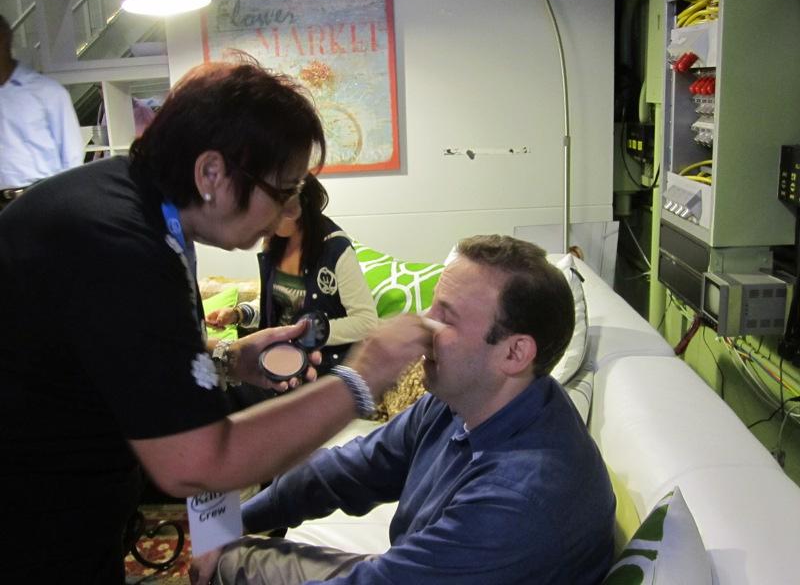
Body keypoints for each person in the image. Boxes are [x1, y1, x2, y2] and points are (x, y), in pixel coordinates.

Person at [0, 58, 432, 584]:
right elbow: (195, 463)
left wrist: (228, 359)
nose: (287, 214)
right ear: (211, 174)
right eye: (283, 191)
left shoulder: (138, 209)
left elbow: (123, 358)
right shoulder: (116, 243)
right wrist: (363, 378)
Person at [194, 235, 617, 585]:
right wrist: (233, 523)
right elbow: (346, 471)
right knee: (227, 555)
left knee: (226, 566)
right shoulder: (459, 401)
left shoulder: (520, 498)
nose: (420, 325)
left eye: (445, 317)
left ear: (515, 353)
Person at [206, 173, 379, 379]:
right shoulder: (273, 243)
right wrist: (239, 314)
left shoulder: (335, 249)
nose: (268, 219)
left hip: (323, 366)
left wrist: (307, 332)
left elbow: (366, 322)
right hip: (278, 358)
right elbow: (274, 307)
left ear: (299, 206)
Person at [0, 13, 83, 208]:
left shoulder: (47, 92)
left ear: (5, 40)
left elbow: (72, 160)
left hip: (39, 198)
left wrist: (66, 205)